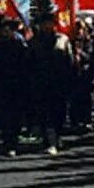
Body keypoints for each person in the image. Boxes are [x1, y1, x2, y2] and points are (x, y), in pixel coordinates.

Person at [30, 20, 73, 156]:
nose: (47, 26)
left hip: (59, 82)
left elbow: (70, 61)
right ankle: (48, 142)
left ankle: (57, 135)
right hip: (41, 82)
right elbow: (28, 62)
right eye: (45, 24)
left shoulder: (63, 40)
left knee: (59, 112)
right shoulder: (35, 42)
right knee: (44, 113)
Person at [0, 19, 30, 156]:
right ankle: (8, 142)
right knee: (4, 113)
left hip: (17, 83)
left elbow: (26, 61)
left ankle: (14, 140)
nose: (7, 31)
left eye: (9, 29)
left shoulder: (19, 43)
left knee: (16, 114)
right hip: (1, 83)